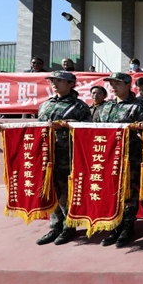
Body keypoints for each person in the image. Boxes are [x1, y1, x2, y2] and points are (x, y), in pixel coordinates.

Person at [32, 71, 92, 245]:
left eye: (59, 81)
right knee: (51, 189)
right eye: (53, 81)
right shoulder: (45, 105)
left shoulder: (79, 106)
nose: (55, 84)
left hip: (68, 154)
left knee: (66, 191)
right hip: (47, 155)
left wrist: (66, 125)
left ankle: (69, 226)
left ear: (71, 84)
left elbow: (87, 131)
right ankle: (55, 226)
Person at [93, 72, 143, 248]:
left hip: (129, 157)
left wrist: (139, 129)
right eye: (112, 84)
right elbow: (95, 129)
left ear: (128, 85)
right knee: (111, 191)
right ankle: (115, 225)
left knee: (129, 193)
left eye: (118, 83)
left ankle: (127, 227)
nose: (114, 87)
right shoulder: (104, 107)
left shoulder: (137, 107)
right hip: (108, 158)